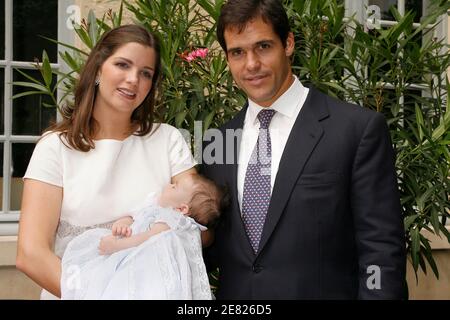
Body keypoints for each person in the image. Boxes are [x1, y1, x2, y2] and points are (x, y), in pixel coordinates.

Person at [201, 0, 406, 299]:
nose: (251, 64)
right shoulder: (217, 142)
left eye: (263, 47)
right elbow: (213, 250)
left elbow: (381, 251)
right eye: (238, 52)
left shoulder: (356, 130)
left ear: (288, 44)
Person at [16, 24, 200, 299]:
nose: (133, 80)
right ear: (98, 68)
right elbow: (31, 253)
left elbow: (198, 222)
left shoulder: (169, 140)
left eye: (145, 73)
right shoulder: (54, 147)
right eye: (123, 65)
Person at [60, 174, 225, 300]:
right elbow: (134, 217)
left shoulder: (171, 221)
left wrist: (116, 246)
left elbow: (146, 238)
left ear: (182, 209)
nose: (168, 185)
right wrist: (124, 223)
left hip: (141, 264)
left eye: (174, 187)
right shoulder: (155, 208)